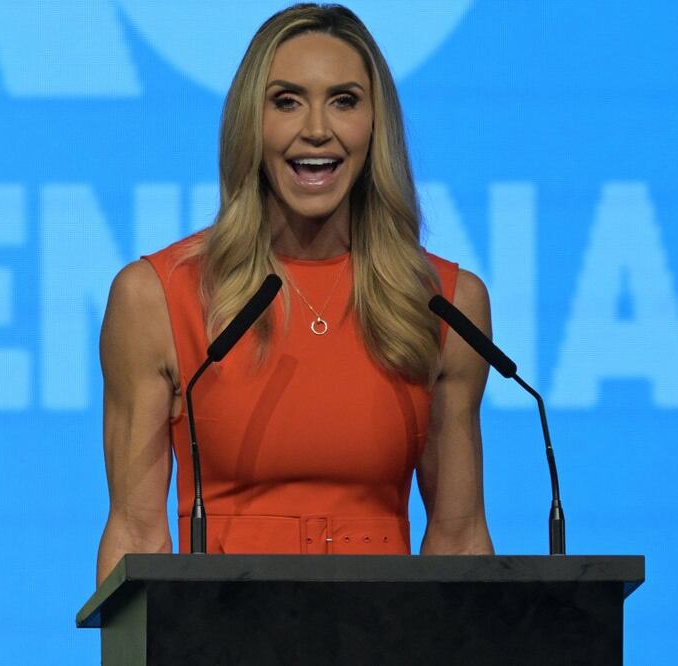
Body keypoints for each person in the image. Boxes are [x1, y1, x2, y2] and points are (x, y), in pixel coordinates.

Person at [96, 3, 493, 585]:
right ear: (249, 125)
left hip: (387, 637)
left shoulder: (443, 304)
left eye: (344, 100)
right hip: (217, 638)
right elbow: (135, 532)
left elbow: (459, 541)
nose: (316, 128)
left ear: (375, 125)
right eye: (286, 101)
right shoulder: (156, 298)